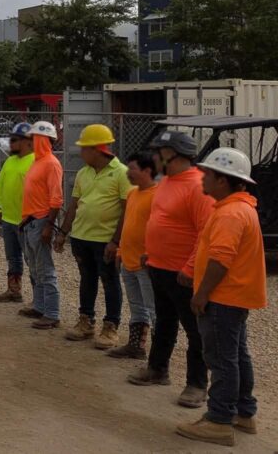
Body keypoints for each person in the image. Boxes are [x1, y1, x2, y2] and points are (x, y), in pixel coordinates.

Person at [175, 147, 267, 447]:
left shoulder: (230, 213)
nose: (202, 179)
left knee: (221, 359)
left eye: (208, 174)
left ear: (223, 181)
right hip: (234, 298)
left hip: (223, 299)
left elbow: (221, 259)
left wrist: (202, 294)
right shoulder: (240, 208)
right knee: (237, 355)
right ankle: (243, 412)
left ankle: (218, 420)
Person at [128, 131, 214, 409]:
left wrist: (189, 267)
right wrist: (150, 253)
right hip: (158, 267)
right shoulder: (166, 182)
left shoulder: (199, 186)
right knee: (164, 322)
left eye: (160, 152)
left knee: (195, 331)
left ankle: (197, 384)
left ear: (175, 155)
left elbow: (206, 233)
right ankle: (157, 369)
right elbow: (161, 220)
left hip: (183, 273)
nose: (154, 157)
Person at [57, 124, 132, 349]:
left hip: (105, 241)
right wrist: (63, 232)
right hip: (82, 237)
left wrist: (116, 241)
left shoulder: (122, 174)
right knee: (87, 280)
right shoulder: (83, 172)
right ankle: (86, 321)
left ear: (97, 149)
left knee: (110, 282)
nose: (81, 153)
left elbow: (127, 209)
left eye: (84, 149)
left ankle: (111, 327)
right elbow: (74, 204)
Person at [108, 151, 158, 360]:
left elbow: (160, 229)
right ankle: (136, 345)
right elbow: (128, 224)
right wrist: (119, 249)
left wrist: (151, 254)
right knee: (137, 306)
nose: (128, 172)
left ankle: (158, 356)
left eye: (133, 169)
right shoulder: (133, 194)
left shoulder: (157, 195)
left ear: (147, 171)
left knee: (154, 309)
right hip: (129, 261)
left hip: (146, 263)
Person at [19, 121, 64, 329]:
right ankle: (39, 306)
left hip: (40, 221)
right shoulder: (37, 162)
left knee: (45, 269)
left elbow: (56, 199)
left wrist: (48, 226)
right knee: (35, 268)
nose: (31, 142)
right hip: (31, 221)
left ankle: (52, 313)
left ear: (44, 140)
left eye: (34, 138)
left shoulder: (51, 164)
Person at [0, 123, 35, 302]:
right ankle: (14, 290)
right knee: (13, 258)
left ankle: (38, 300)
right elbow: (0, 187)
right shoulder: (9, 161)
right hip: (8, 219)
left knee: (31, 260)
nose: (11, 143)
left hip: (25, 221)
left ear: (28, 142)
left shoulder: (35, 161)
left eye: (15, 140)